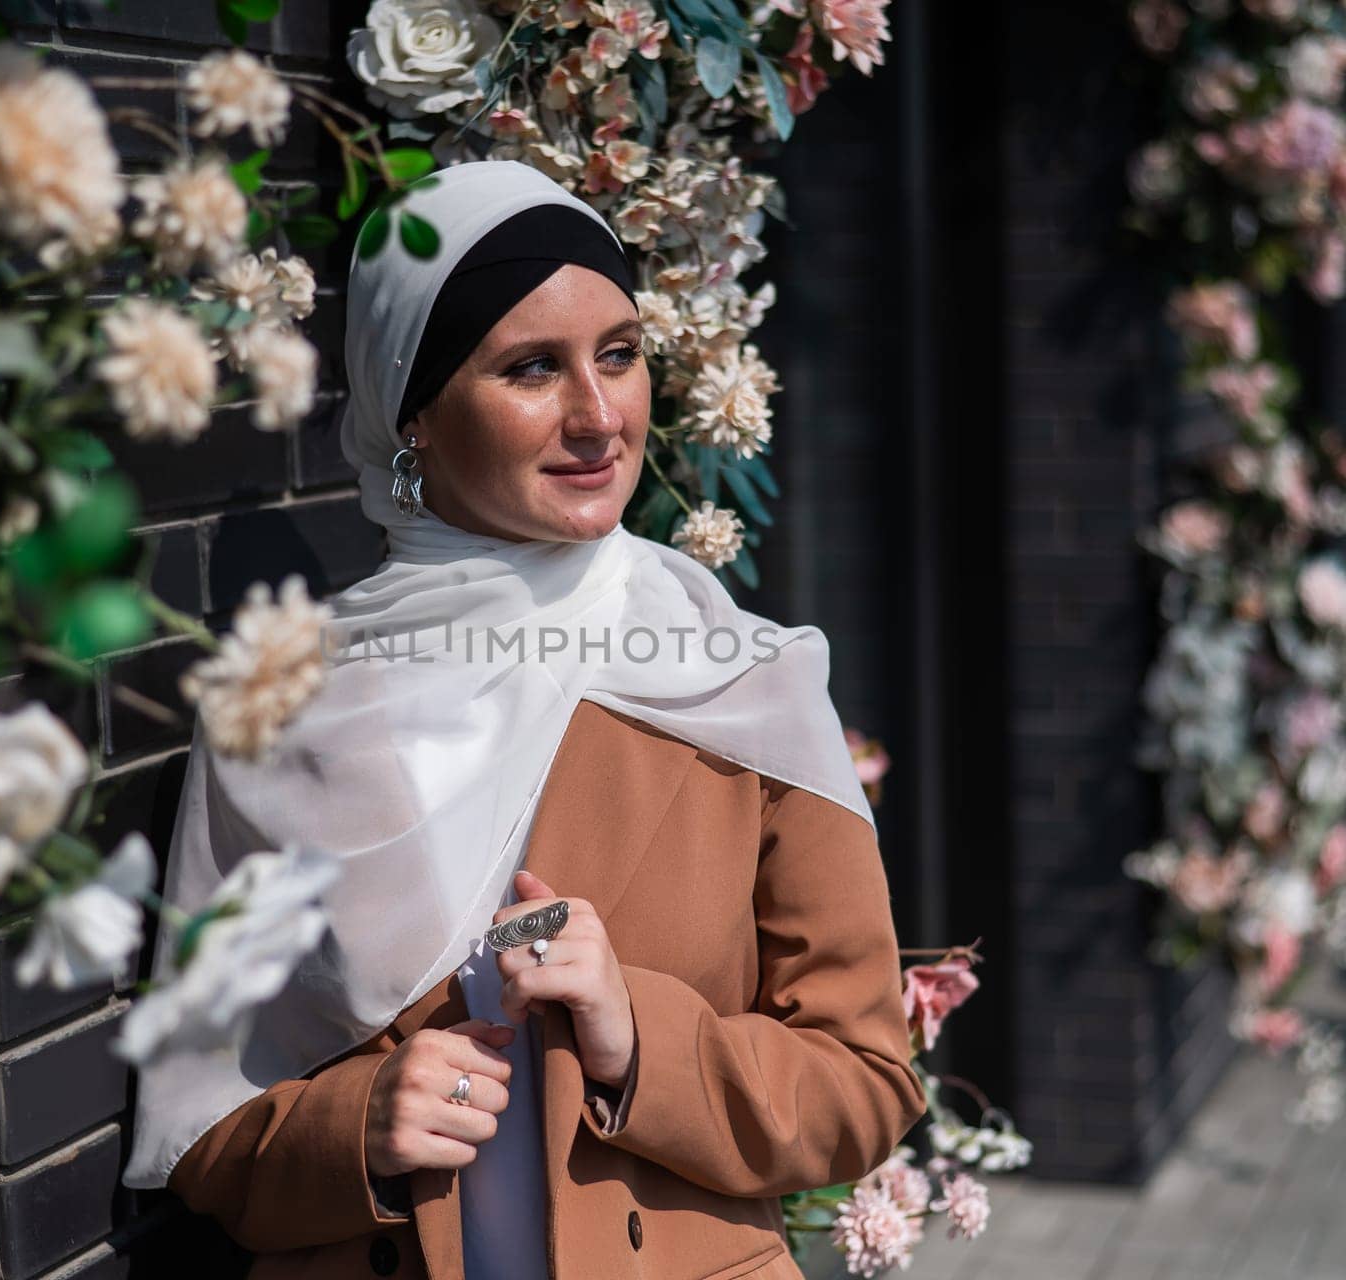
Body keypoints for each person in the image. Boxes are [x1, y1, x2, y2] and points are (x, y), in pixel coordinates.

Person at [121, 159, 927, 1280]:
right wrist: (355, 1128)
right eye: (531, 369)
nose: (598, 417)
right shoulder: (285, 705)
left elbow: (866, 1084)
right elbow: (199, 1126)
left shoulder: (737, 681)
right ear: (414, 414)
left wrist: (639, 1036)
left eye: (619, 354)